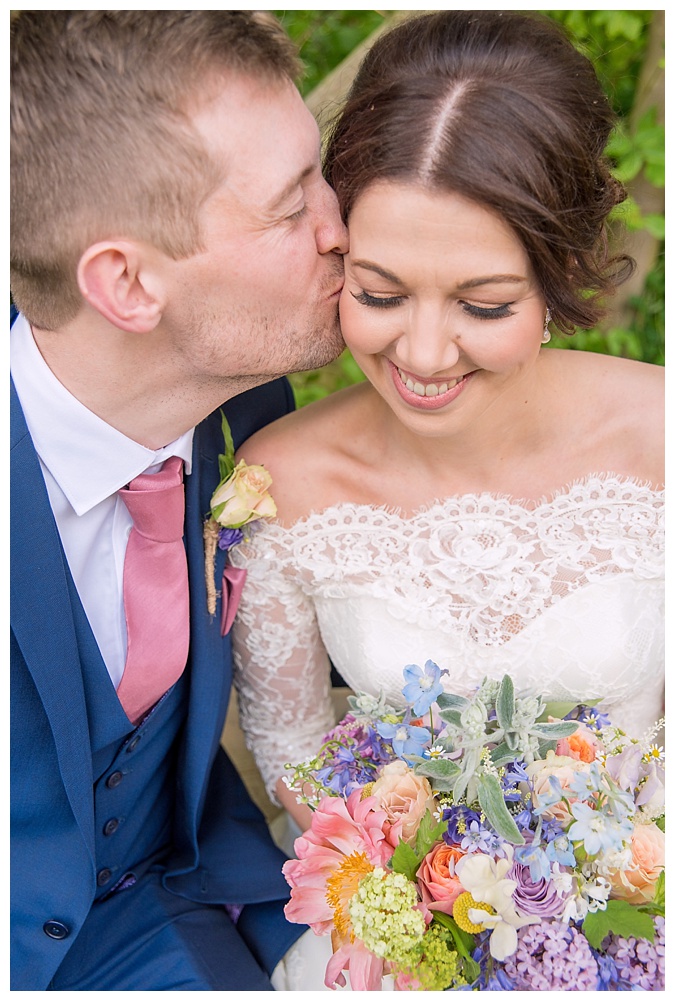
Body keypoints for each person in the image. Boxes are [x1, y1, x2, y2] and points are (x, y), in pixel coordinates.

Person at [230, 9, 664, 842]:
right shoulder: (277, 487)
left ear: (558, 275)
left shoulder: (662, 432)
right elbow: (298, 763)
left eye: (484, 303)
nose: (423, 353)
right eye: (380, 294)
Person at [10, 10, 348, 991]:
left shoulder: (241, 396)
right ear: (126, 281)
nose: (342, 227)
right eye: (293, 208)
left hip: (192, 904)